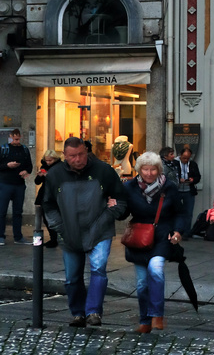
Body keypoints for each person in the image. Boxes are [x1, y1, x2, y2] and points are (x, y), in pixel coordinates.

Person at [43, 135, 128, 327]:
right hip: (69, 231)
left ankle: (93, 312)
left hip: (100, 230)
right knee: (72, 277)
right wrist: (60, 228)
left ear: (86, 151)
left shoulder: (104, 171)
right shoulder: (55, 175)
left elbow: (121, 199)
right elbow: (48, 205)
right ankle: (78, 313)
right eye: (72, 156)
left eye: (81, 154)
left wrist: (108, 215)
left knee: (98, 269)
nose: (78, 159)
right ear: (64, 155)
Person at [123, 151, 186, 333]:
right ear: (139, 170)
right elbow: (123, 212)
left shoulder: (169, 187)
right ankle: (145, 321)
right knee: (142, 283)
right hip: (139, 237)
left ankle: (157, 314)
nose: (149, 173)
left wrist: (178, 231)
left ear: (159, 170)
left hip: (161, 235)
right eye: (145, 169)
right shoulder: (130, 187)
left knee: (156, 269)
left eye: (153, 169)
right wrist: (113, 205)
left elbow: (180, 212)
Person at [0, 128, 32, 245]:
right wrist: (7, 165)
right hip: (5, 184)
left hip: (19, 184)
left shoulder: (24, 150)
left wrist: (25, 171)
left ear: (21, 137)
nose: (16, 140)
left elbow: (29, 166)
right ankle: (1, 236)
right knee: (2, 211)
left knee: (18, 212)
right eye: (14, 137)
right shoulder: (4, 149)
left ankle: (18, 236)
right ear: (10, 136)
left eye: (18, 138)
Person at [34, 149, 62, 247]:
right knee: (45, 218)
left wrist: (48, 175)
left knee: (54, 217)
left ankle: (58, 237)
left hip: (54, 195)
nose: (48, 162)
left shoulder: (60, 167)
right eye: (47, 160)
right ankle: (53, 238)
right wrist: (40, 176)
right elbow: (37, 182)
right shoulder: (44, 166)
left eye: (50, 160)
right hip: (44, 193)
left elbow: (58, 181)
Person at [176, 146, 201, 228]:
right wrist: (178, 179)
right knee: (176, 211)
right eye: (184, 158)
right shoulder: (174, 163)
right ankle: (177, 230)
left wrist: (192, 179)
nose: (186, 160)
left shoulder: (193, 164)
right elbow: (170, 176)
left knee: (188, 212)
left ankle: (186, 232)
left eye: (188, 158)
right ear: (180, 156)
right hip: (177, 190)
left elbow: (198, 177)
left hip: (189, 190)